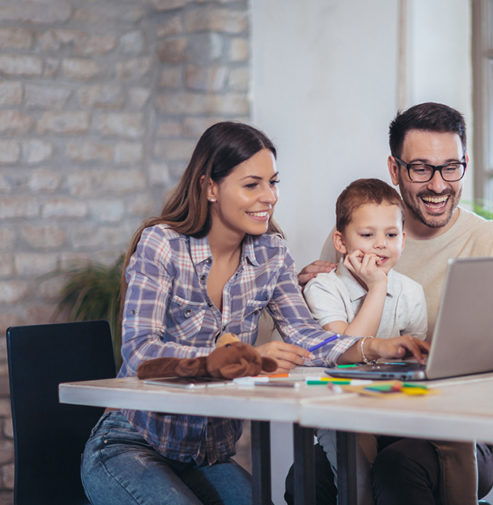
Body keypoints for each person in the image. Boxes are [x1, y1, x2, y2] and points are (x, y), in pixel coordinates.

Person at [80, 121, 428, 505]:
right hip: (131, 444)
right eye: (252, 185)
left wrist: (377, 348)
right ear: (210, 187)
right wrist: (244, 358)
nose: (269, 197)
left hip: (206, 457)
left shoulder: (270, 252)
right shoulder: (162, 245)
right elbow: (141, 352)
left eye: (273, 183)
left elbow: (308, 337)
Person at [298, 103, 493, 505]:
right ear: (395, 169)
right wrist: (300, 296)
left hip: (461, 426)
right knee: (303, 481)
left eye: (450, 167)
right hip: (366, 411)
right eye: (421, 168)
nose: (438, 184)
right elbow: (323, 344)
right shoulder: (355, 239)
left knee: (397, 468)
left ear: (465, 164)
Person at [305, 178, 427, 505]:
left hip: (393, 405)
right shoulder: (323, 288)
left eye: (391, 235)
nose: (381, 245)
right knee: (357, 485)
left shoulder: (411, 292)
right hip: (338, 408)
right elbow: (344, 350)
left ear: (403, 238)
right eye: (367, 235)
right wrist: (376, 288)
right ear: (341, 241)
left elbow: (414, 360)